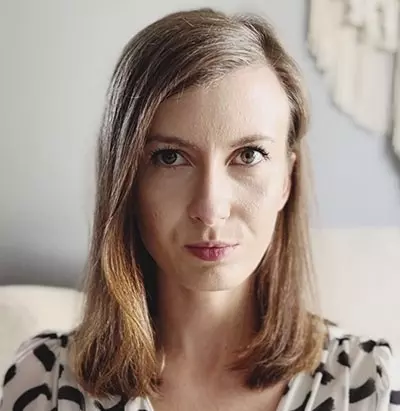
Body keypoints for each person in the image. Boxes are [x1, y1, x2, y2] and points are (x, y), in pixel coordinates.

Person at [1, 7, 399, 411]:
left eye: (248, 155)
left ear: (286, 180)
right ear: (127, 181)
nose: (210, 209)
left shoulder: (368, 385)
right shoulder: (46, 382)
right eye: (170, 157)